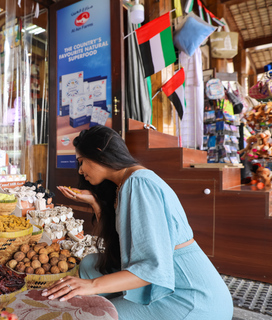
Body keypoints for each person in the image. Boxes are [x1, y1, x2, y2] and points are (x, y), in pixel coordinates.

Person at [42, 125, 233, 319]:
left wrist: (92, 286)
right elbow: (120, 241)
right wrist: (94, 202)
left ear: (99, 152)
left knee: (93, 314)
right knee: (91, 264)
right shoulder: (126, 183)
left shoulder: (139, 183)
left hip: (190, 297)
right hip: (167, 282)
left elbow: (152, 267)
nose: (81, 171)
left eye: (81, 162)